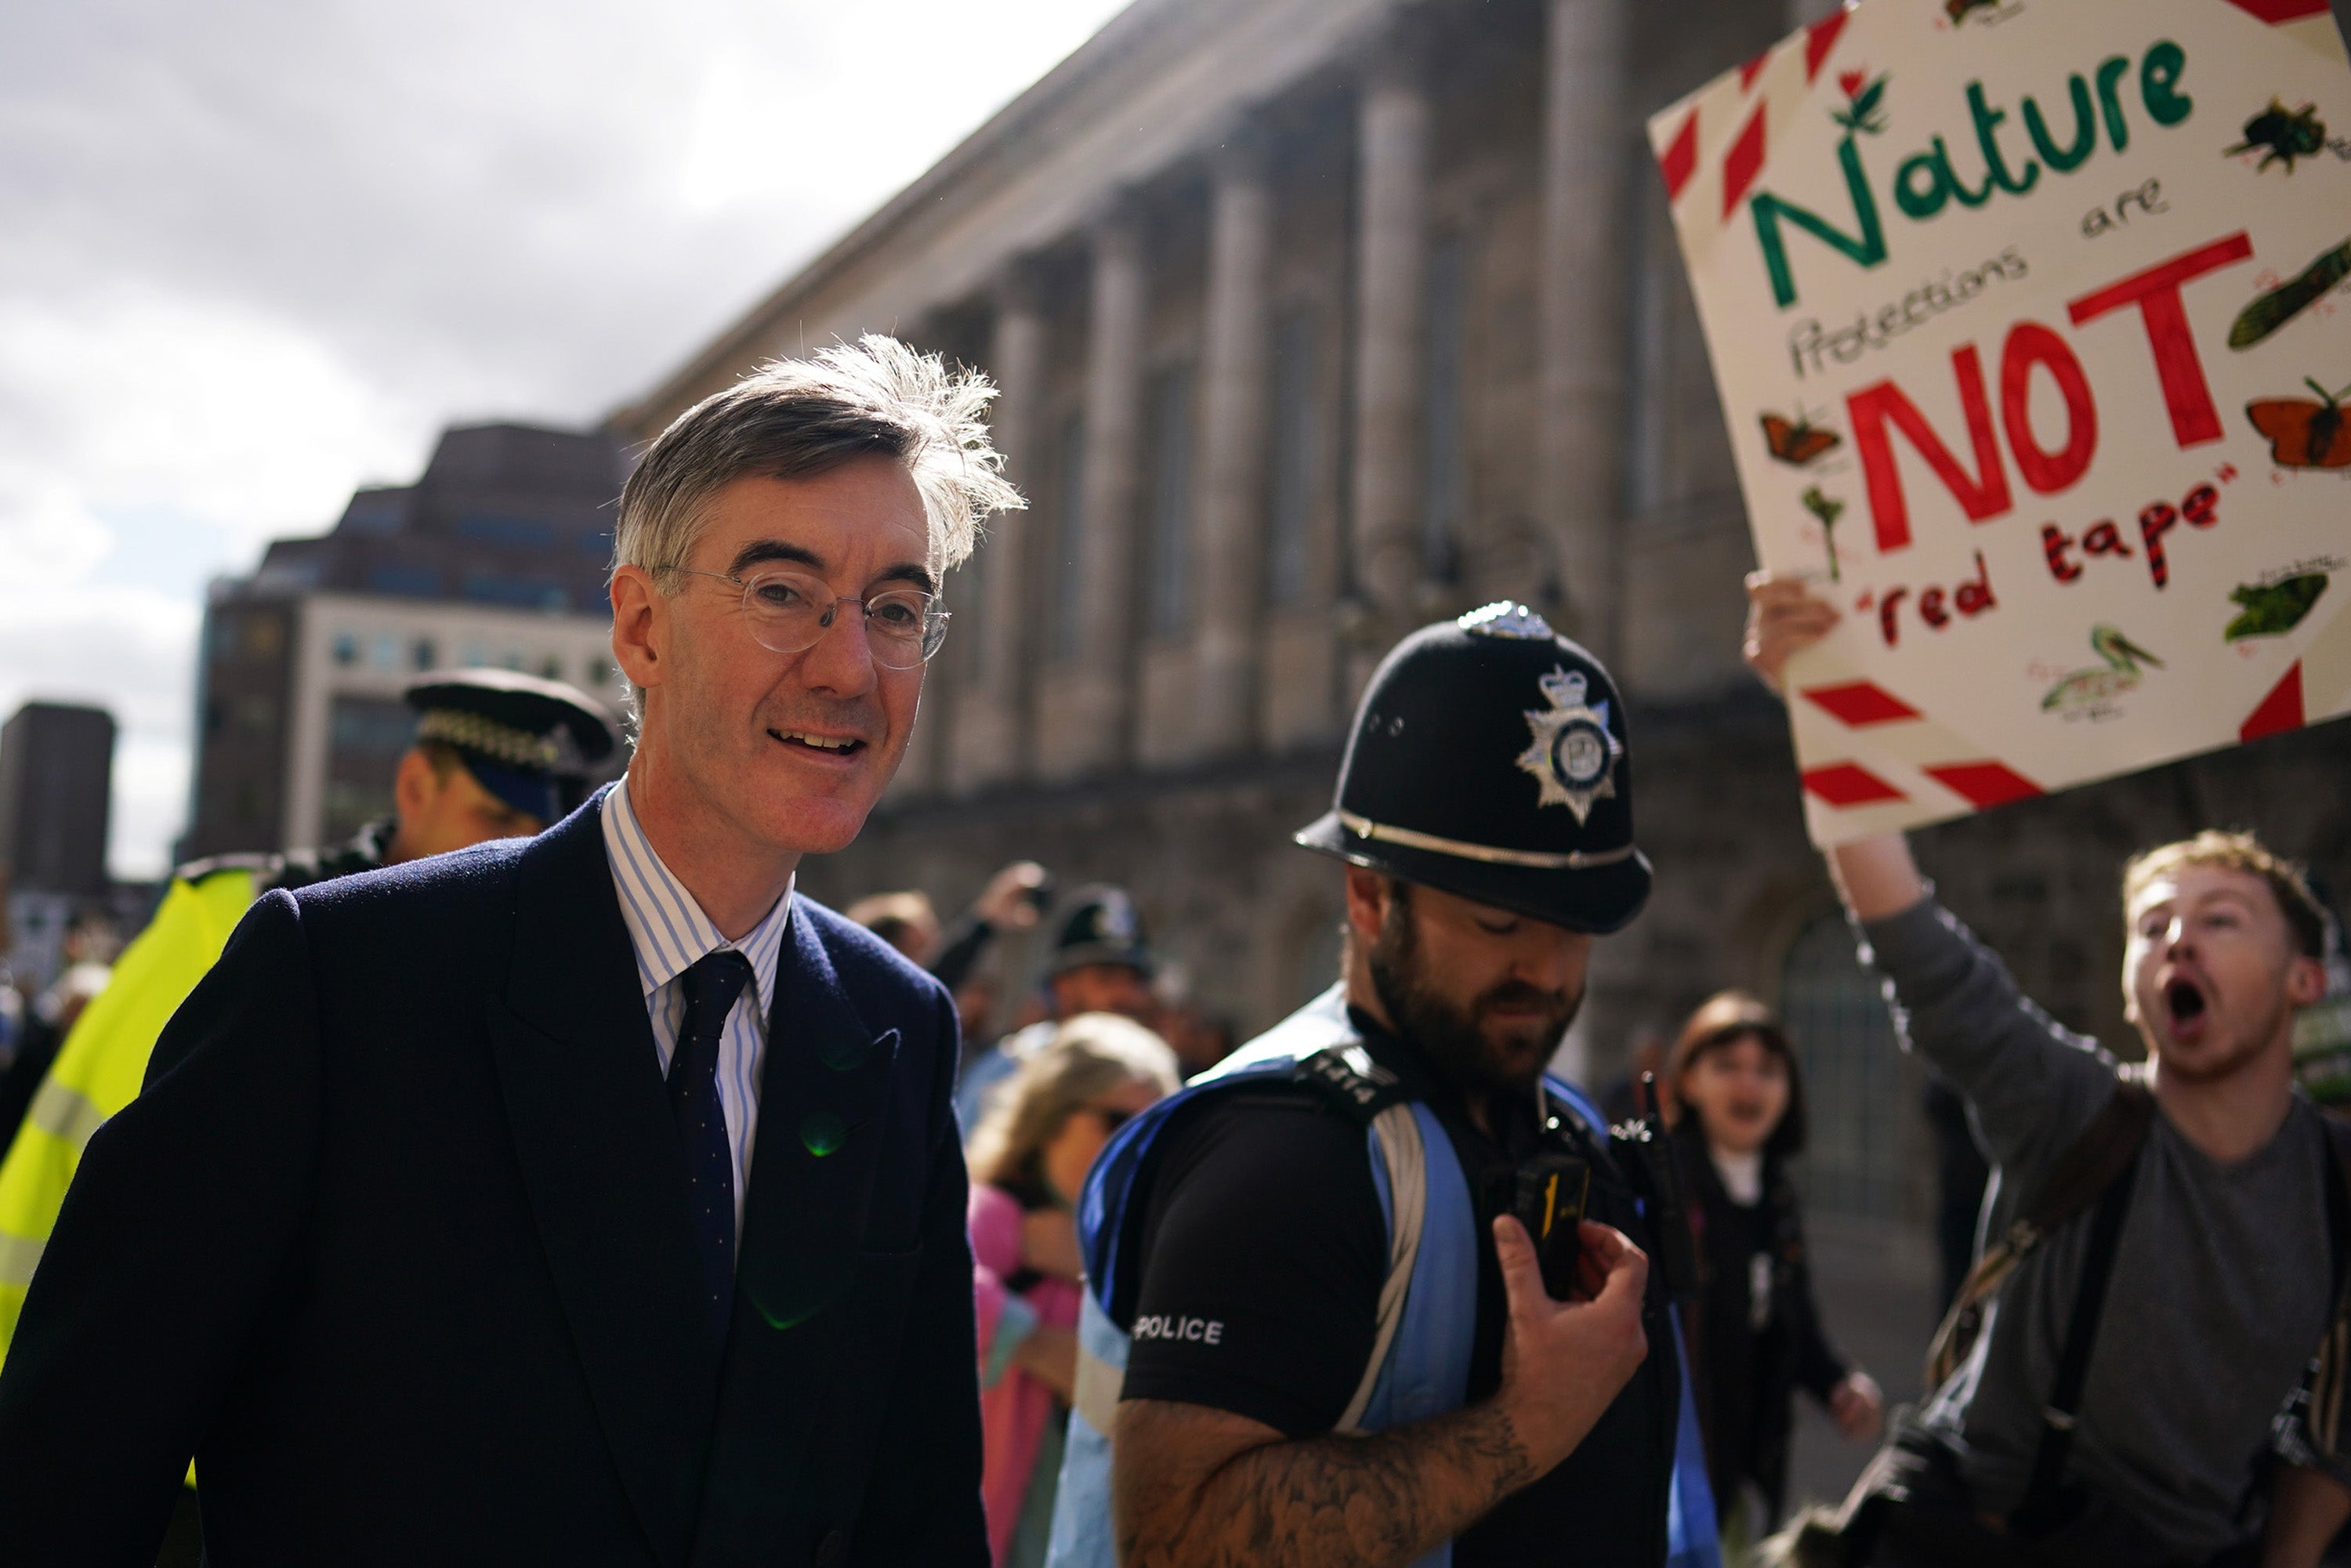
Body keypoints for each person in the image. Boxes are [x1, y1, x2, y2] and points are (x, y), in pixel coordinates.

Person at [0, 335, 1020, 1564]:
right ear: (641, 628)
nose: (851, 665)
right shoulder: (342, 981)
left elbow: (915, 1516)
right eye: (782, 593)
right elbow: (65, 1476)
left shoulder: (891, 1028)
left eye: (895, 610)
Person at [1045, 603, 1719, 1568]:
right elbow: (1176, 1536)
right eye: (1499, 923)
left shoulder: (1559, 1123)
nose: (1546, 968)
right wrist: (1526, 1427)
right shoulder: (1280, 1147)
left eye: (1575, 928)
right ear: (1369, 895)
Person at [1744, 573, 2351, 1568]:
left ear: (2303, 980)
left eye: (2220, 922)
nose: (2177, 945)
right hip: (1971, 1541)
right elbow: (1917, 946)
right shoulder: (2074, 1109)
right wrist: (1822, 712)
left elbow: (2335, 1439)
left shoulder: (2336, 1185)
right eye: (2152, 928)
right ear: (2130, 990)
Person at [0, 666, 618, 1355]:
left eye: (541, 829)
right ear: (416, 787)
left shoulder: (525, 970)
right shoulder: (227, 918)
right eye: (496, 816)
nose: (518, 848)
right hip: (142, 1415)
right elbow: (148, 1213)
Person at [1666, 991, 1880, 1555]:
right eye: (1727, 1066)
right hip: (1675, 1468)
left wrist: (1837, 1382)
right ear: (1688, 1081)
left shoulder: (1777, 1194)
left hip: (1748, 1462)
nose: (1749, 1085)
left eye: (1766, 1069)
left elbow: (1791, 1315)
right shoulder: (1663, 1188)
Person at [967, 1012, 1180, 1567]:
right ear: (1054, 1115)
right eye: (1116, 1120)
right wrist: (1035, 1337)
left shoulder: (1150, 1242)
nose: (1135, 1145)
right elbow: (931, 1305)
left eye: (1154, 1128)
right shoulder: (990, 1213)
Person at [955, 883, 1160, 1137]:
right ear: (1063, 985)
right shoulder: (1010, 1068)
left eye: (1134, 980)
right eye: (1105, 977)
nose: (1124, 994)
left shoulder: (1153, 1081)